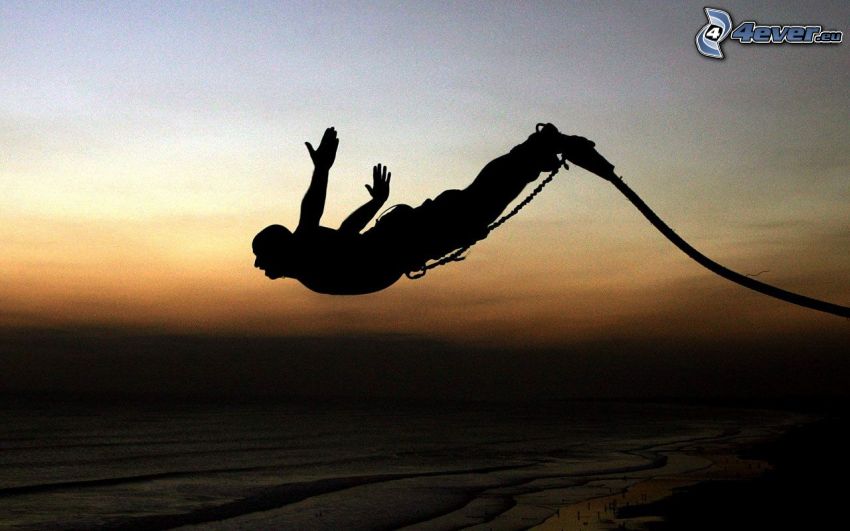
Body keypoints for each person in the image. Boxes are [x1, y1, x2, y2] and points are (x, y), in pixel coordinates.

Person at [252, 124, 606, 295]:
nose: (259, 265)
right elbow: (345, 235)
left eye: (262, 256)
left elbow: (313, 214)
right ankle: (537, 151)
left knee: (479, 203)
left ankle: (539, 148)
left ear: (281, 251)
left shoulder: (306, 254)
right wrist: (374, 202)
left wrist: (322, 170)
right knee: (479, 202)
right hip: (414, 240)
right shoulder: (310, 265)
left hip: (412, 236)